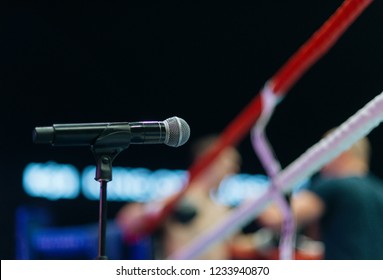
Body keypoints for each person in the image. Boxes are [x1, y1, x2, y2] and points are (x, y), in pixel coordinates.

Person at [257, 130, 383, 259]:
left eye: (324, 154)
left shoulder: (334, 184)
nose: (321, 165)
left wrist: (250, 203)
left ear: (341, 152)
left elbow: (278, 218)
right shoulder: (380, 190)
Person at [116, 134, 242, 259]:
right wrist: (162, 207)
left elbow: (233, 246)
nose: (234, 168)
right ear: (208, 159)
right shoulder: (177, 197)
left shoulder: (221, 207)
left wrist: (260, 240)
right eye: (229, 160)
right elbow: (127, 223)